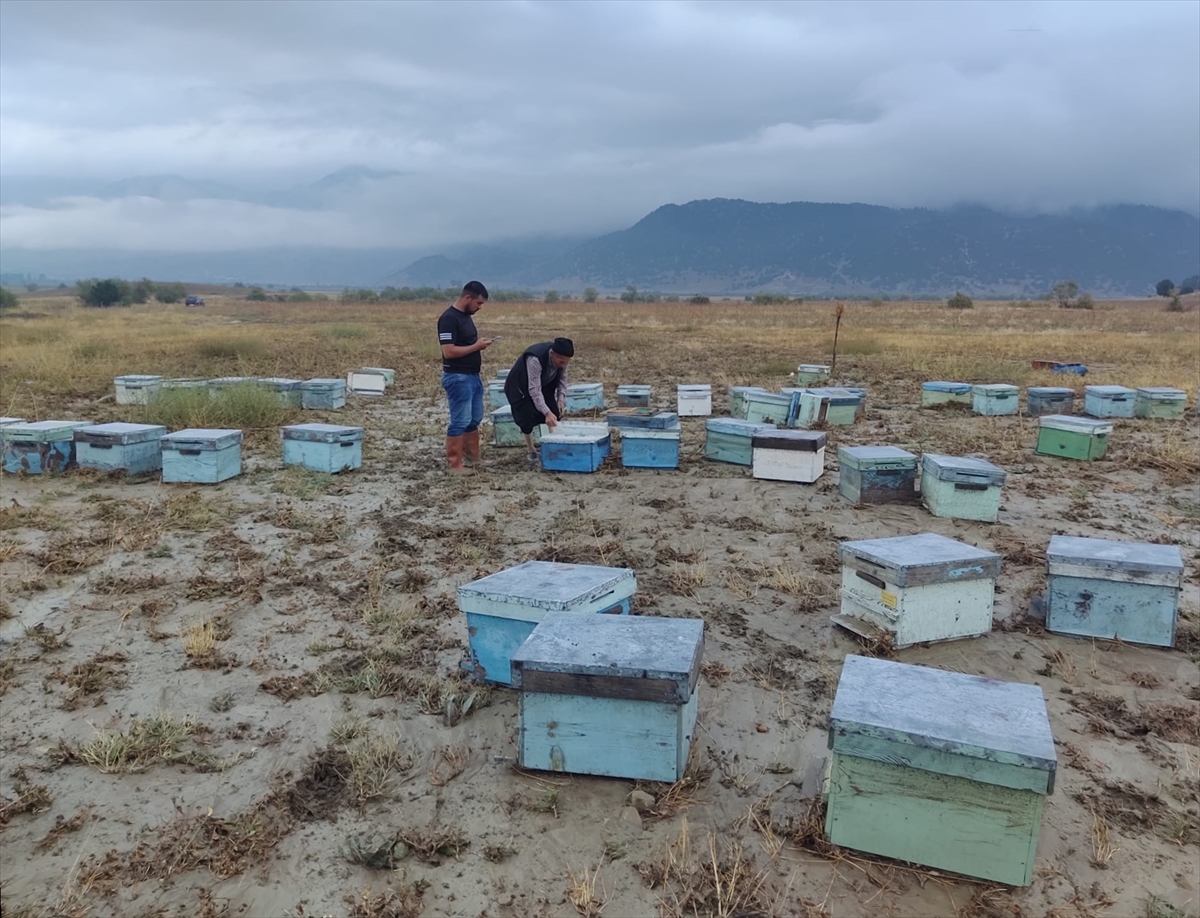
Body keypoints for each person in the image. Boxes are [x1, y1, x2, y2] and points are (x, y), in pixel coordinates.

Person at [437, 280, 495, 473]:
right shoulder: (448, 319)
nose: (480, 307)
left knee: (474, 419)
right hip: (457, 377)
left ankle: (472, 459)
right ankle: (454, 464)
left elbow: (466, 344)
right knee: (460, 421)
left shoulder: (466, 317)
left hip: (473, 376)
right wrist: (476, 347)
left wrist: (479, 345)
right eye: (478, 303)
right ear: (467, 297)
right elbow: (449, 352)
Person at [504, 337, 574, 460]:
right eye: (561, 361)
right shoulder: (535, 359)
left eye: (565, 362)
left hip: (544, 384)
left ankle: (554, 444)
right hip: (521, 387)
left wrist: (561, 400)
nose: (563, 365)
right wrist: (546, 412)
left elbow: (562, 381)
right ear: (552, 354)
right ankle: (531, 448)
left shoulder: (563, 361)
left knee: (555, 412)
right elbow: (534, 390)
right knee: (526, 417)